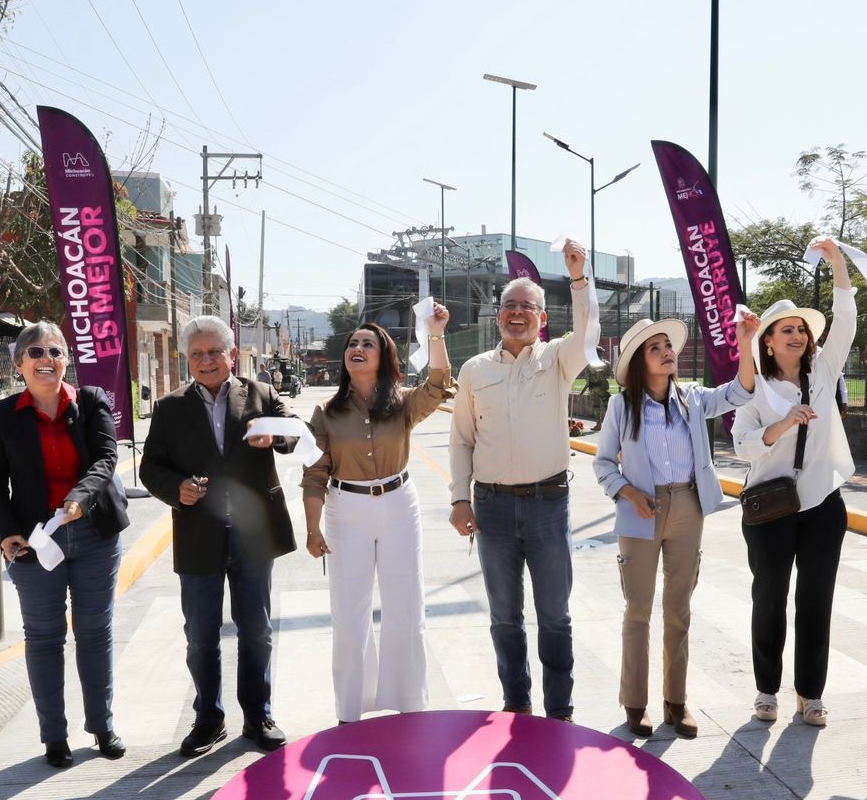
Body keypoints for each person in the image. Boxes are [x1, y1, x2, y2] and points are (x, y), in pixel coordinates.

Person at [593, 306, 757, 738]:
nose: (667, 352)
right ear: (639, 361)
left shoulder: (694, 398)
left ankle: (676, 702)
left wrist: (745, 344)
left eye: (668, 345)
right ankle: (635, 704)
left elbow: (740, 392)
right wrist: (628, 493)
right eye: (656, 348)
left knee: (679, 609)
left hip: (688, 505)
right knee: (638, 610)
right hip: (639, 510)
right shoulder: (621, 406)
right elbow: (603, 463)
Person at [449, 239, 594, 721]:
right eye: (509, 305)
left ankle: (560, 710)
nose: (517, 313)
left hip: (547, 506)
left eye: (527, 307)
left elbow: (588, 331)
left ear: (542, 318)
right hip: (491, 508)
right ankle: (517, 703)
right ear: (498, 316)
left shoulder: (558, 360)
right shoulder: (475, 370)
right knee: (505, 617)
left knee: (554, 616)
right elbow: (462, 439)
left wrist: (579, 278)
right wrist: (460, 499)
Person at [141, 316, 298, 755]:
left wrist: (274, 435)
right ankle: (209, 719)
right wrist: (177, 489)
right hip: (199, 535)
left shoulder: (261, 394)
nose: (206, 361)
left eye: (214, 352)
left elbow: (294, 432)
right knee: (200, 637)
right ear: (187, 359)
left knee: (256, 631)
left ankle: (258, 715)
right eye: (197, 354)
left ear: (232, 354)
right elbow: (151, 467)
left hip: (253, 536)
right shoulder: (170, 408)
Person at [0, 322, 129, 768]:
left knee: (95, 632)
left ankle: (102, 726)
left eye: (56, 351)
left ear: (66, 360)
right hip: (35, 540)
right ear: (19, 364)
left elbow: (106, 458)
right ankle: (54, 737)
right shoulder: (4, 415)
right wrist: (6, 532)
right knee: (44, 638)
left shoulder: (92, 401)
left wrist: (79, 498)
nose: (47, 359)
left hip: (95, 531)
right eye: (36, 352)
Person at [303, 310, 453, 724]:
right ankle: (349, 712)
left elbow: (438, 384)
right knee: (349, 615)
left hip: (399, 505)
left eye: (367, 344)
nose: (358, 348)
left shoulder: (403, 403)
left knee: (406, 606)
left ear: (383, 357)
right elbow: (314, 475)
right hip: (345, 511)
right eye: (353, 343)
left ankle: (410, 705)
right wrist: (313, 529)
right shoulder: (326, 412)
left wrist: (436, 334)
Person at [733, 238, 858, 727]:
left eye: (802, 329)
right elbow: (742, 444)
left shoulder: (823, 369)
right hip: (770, 509)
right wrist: (783, 425)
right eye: (787, 329)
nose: (797, 335)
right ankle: (766, 690)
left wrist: (838, 264)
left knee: (816, 601)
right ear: (767, 340)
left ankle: (811, 694)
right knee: (769, 599)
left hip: (823, 503)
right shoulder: (753, 387)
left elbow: (845, 319)